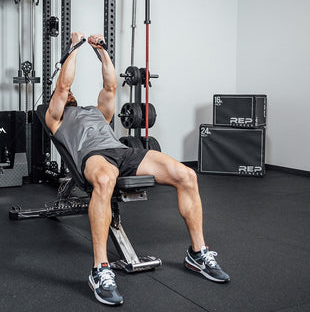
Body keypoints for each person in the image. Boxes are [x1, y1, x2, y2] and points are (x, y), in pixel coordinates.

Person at [45, 32, 230, 306]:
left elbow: (110, 87)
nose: (69, 92)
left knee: (187, 175)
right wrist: (75, 47)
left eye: (72, 91)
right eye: (66, 91)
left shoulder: (98, 111)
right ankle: (100, 269)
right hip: (94, 157)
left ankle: (198, 253)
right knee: (106, 181)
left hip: (123, 152)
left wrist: (100, 51)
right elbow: (62, 87)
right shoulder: (56, 117)